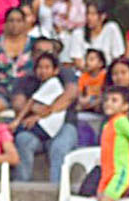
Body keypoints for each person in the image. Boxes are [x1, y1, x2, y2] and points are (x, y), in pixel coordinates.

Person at [12, 52, 81, 184]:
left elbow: (63, 101)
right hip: (39, 130)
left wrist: (38, 114)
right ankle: (21, 184)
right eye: (40, 67)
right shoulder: (28, 80)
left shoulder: (60, 80)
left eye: (47, 67)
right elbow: (20, 103)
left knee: (59, 147)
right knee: (22, 139)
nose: (42, 71)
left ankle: (56, 189)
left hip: (63, 126)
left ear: (55, 69)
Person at [0, 6, 34, 113]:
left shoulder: (34, 45)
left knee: (21, 105)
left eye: (19, 21)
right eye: (11, 20)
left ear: (24, 23)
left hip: (26, 91)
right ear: (5, 23)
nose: (15, 24)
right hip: (1, 90)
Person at [73, 48, 108, 144]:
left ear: (101, 63)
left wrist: (92, 103)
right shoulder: (83, 77)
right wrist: (82, 101)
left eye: (92, 60)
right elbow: (79, 93)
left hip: (99, 101)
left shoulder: (104, 75)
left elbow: (104, 94)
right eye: (86, 59)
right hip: (88, 101)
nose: (87, 62)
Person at [81, 1, 126, 65]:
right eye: (87, 14)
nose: (89, 17)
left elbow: (118, 56)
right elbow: (78, 61)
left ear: (103, 16)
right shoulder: (79, 33)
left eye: (93, 14)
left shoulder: (111, 28)